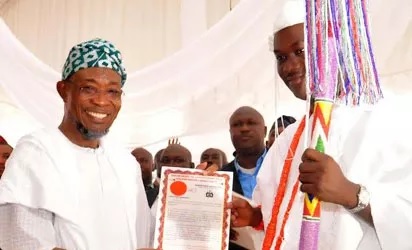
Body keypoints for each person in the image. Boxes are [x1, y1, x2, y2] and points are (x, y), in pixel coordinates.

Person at [229, 1, 412, 249]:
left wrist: (352, 195)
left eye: (301, 51)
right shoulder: (289, 138)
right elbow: (286, 225)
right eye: (281, 57)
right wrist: (257, 217)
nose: (290, 67)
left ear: (339, 46)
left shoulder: (394, 118)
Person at [0, 39, 154, 250]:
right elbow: (23, 243)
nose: (101, 101)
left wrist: (200, 190)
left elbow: (148, 235)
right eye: (89, 89)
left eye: (112, 91)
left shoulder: (125, 163)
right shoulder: (37, 153)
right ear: (64, 90)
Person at [221, 106, 267, 200]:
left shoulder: (284, 166)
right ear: (230, 132)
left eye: (251, 123)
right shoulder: (220, 178)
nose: (244, 129)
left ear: (265, 131)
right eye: (237, 124)